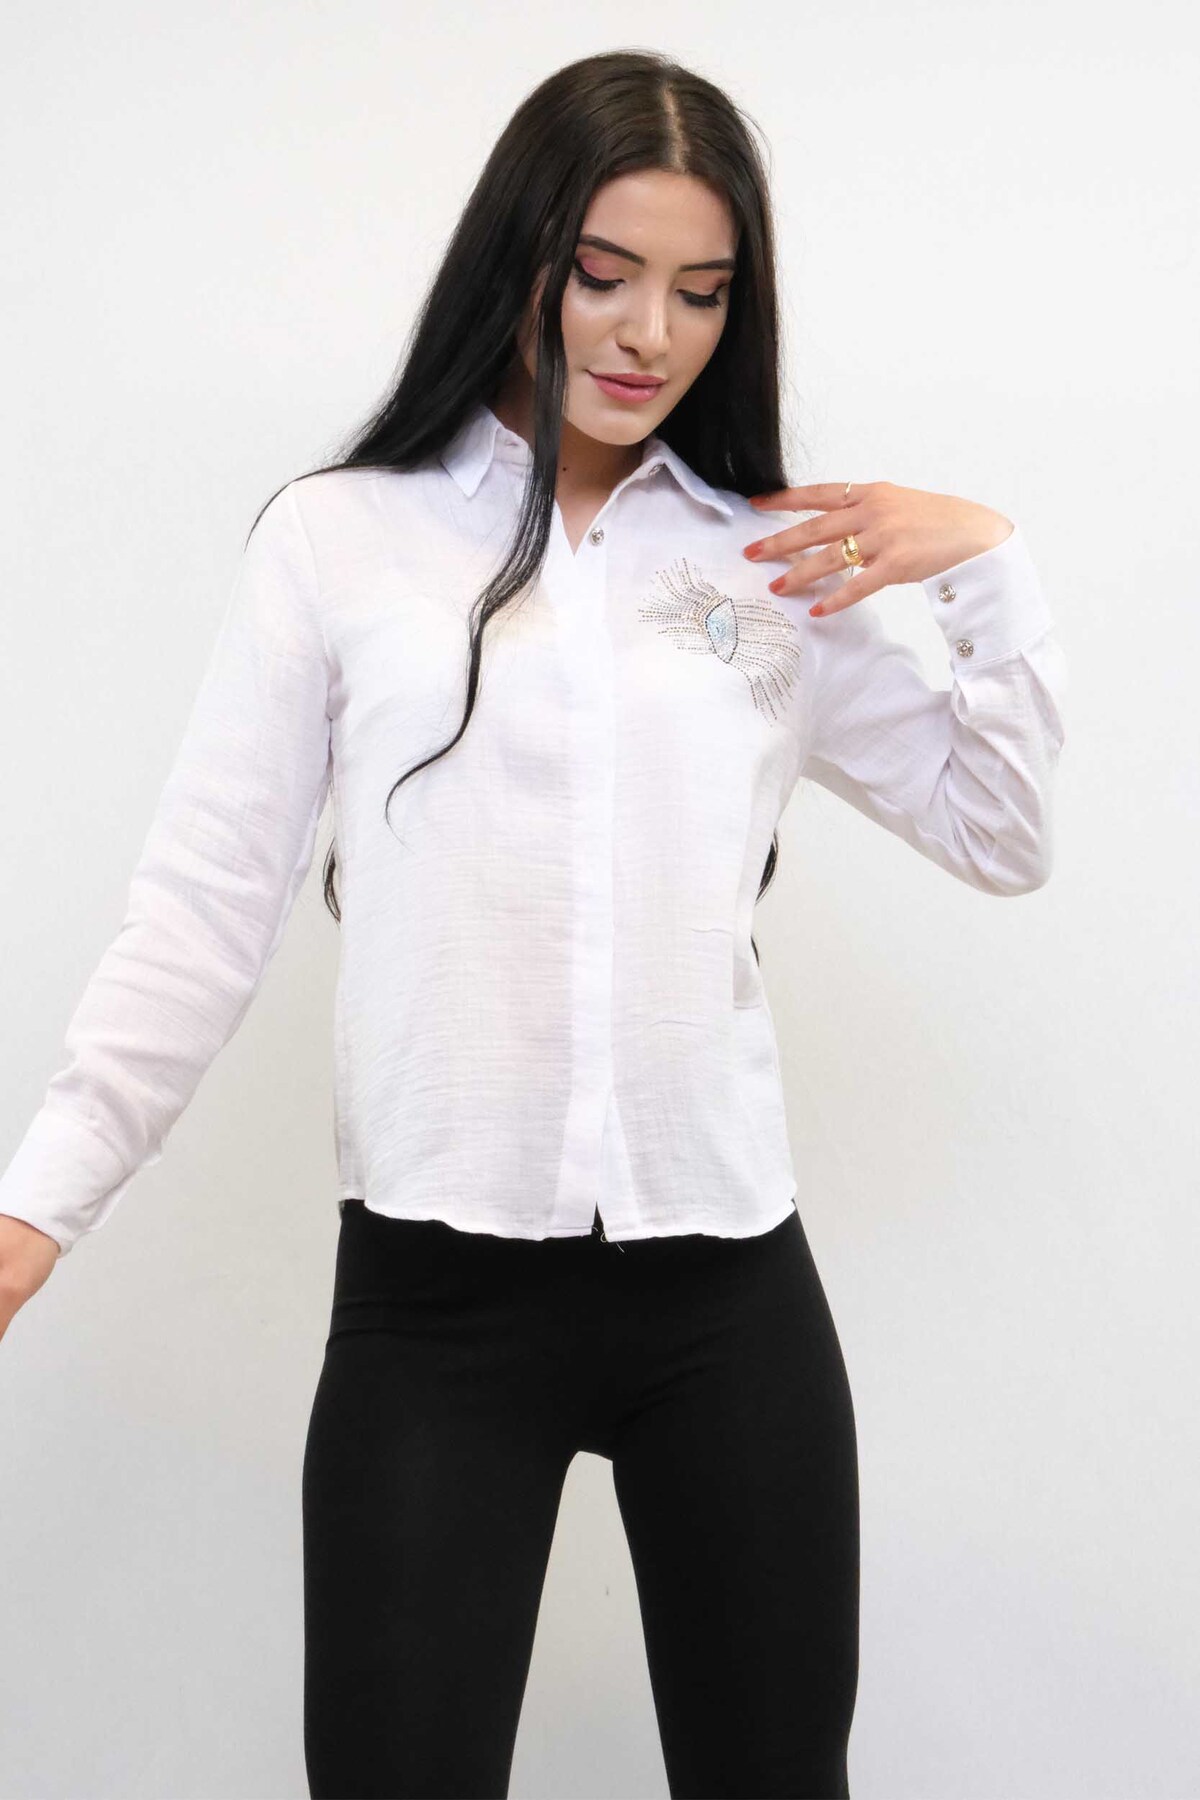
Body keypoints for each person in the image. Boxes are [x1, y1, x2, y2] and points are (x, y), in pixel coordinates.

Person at [0, 48, 1067, 1800]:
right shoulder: (339, 546)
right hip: (437, 1312)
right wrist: (38, 1207)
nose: (651, 333)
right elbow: (202, 910)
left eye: (702, 291)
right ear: (523, 256)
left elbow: (1002, 832)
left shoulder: (760, 570)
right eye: (605, 273)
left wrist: (985, 563)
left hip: (729, 1299)